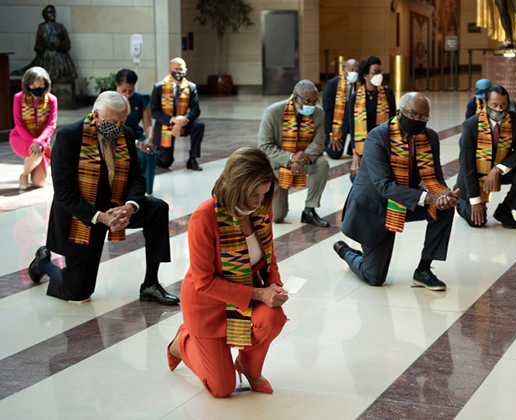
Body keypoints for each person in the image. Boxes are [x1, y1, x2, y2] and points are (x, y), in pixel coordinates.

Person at [27, 91, 178, 305]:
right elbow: (64, 193)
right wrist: (99, 216)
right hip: (82, 216)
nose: (117, 127)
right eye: (112, 121)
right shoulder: (69, 137)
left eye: (122, 122)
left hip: (116, 207)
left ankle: (151, 285)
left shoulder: (124, 134)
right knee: (78, 293)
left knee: (157, 208)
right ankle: (43, 265)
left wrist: (130, 206)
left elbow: (137, 178)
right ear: (96, 115)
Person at [167, 147, 287, 398]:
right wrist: (259, 293)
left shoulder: (262, 209)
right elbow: (205, 283)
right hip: (208, 305)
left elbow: (268, 255)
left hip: (244, 295)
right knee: (221, 389)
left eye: (263, 194)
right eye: (253, 194)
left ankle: (248, 366)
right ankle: (183, 342)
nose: (258, 202)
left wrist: (273, 283)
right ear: (236, 187)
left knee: (272, 317)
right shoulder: (204, 216)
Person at [333, 92, 460, 291]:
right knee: (374, 277)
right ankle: (345, 251)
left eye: (423, 116)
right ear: (398, 113)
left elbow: (435, 177)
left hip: (404, 198)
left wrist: (444, 196)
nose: (418, 120)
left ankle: (424, 270)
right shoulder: (377, 137)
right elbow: (384, 186)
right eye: (413, 114)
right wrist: (429, 197)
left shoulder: (429, 137)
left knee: (444, 208)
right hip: (374, 206)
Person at [455, 85, 516, 229]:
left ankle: (504, 210)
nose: (499, 109)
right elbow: (467, 165)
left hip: (498, 171)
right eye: (494, 105)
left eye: (503, 105)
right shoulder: (471, 125)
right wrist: (475, 201)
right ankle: (462, 204)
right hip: (473, 174)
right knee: (477, 222)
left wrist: (498, 169)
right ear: (485, 104)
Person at [257, 80, 329, 227]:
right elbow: (264, 146)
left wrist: (299, 160)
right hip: (277, 167)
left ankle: (309, 210)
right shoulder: (273, 112)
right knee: (277, 216)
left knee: (322, 164)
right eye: (308, 101)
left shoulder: (318, 112)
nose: (312, 105)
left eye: (315, 101)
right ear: (296, 98)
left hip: (303, 162)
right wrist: (290, 158)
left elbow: (318, 142)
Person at [150, 57, 204, 171]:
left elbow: (196, 110)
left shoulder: (191, 87)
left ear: (186, 70)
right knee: (165, 162)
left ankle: (192, 159)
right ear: (170, 71)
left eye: (181, 69)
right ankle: (159, 154)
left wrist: (182, 120)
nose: (178, 72)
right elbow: (154, 111)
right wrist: (173, 120)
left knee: (199, 125)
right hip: (165, 123)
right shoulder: (159, 87)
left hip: (184, 122)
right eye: (176, 69)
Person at [347, 56, 397, 177]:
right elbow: (352, 127)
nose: (379, 75)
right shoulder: (355, 97)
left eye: (380, 72)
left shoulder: (387, 93)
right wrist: (355, 153)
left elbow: (393, 121)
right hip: (363, 145)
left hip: (383, 144)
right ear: (365, 75)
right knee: (356, 176)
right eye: (375, 72)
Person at [10, 66, 57, 190]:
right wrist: (33, 142)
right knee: (35, 153)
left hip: (41, 139)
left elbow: (51, 124)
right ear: (28, 85)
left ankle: (30, 165)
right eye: (34, 86)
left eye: (41, 85)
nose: (37, 89)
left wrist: (39, 141)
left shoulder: (52, 100)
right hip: (20, 137)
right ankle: (24, 175)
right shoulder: (18, 98)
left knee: (39, 182)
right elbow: (18, 123)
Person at [116, 69, 157, 196]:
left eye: (130, 90)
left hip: (136, 134)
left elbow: (148, 124)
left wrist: (148, 140)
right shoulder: (110, 100)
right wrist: (136, 143)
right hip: (117, 137)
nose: (127, 94)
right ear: (117, 86)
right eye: (124, 90)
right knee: (133, 154)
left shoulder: (140, 99)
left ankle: (146, 191)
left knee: (149, 152)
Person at [12, 5, 77, 80]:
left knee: (65, 70)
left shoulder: (60, 27)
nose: (52, 14)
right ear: (45, 15)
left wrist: (59, 44)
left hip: (61, 56)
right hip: (47, 56)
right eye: (49, 12)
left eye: (53, 12)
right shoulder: (42, 27)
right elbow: (39, 45)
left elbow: (67, 44)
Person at [322, 58, 358, 159]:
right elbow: (327, 111)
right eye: (351, 70)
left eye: (356, 71)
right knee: (335, 154)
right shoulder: (332, 84)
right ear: (345, 70)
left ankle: (352, 145)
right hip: (337, 123)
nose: (354, 73)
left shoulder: (361, 84)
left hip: (353, 120)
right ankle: (325, 143)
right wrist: (331, 133)